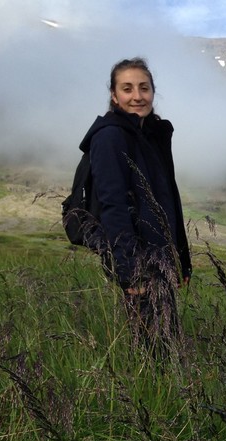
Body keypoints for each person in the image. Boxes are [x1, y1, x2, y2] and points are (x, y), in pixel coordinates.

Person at [78, 57, 192, 350]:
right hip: (140, 262)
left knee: (166, 343)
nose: (137, 96)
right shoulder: (110, 137)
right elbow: (112, 205)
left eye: (144, 87)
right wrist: (130, 270)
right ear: (114, 96)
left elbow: (168, 201)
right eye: (127, 89)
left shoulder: (151, 136)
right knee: (153, 350)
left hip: (160, 259)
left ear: (153, 92)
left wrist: (181, 260)